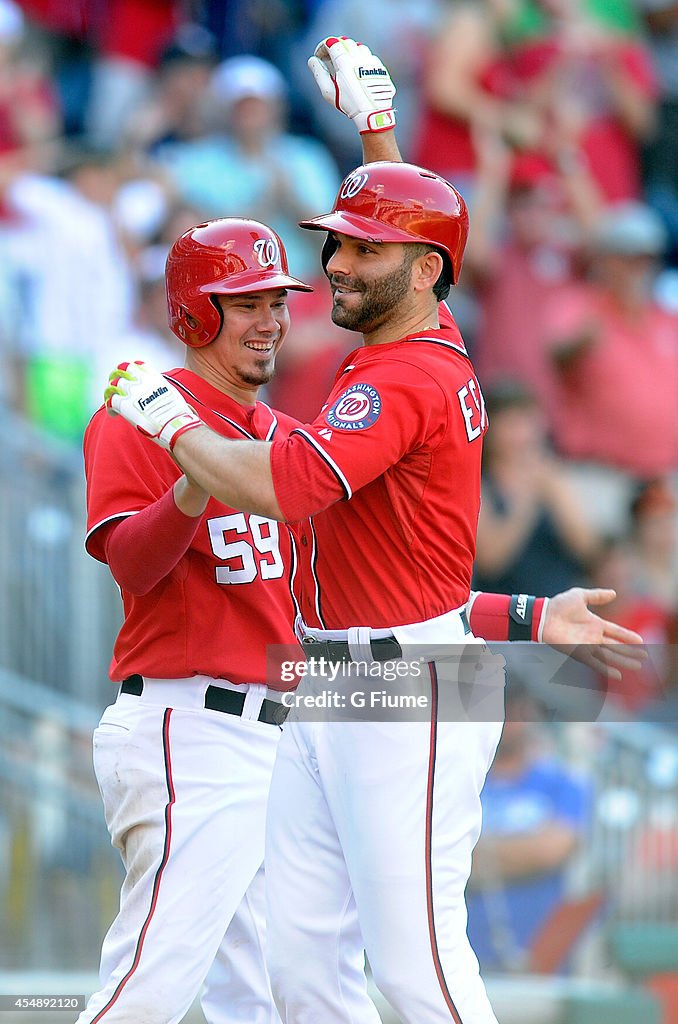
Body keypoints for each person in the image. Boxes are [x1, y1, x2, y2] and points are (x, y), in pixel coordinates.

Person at [101, 38, 644, 1024]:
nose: (338, 262)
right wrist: (375, 130)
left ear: (424, 266)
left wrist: (169, 420)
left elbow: (289, 490)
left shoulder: (406, 374)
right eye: (337, 243)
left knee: (417, 969)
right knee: (303, 971)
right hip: (336, 668)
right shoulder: (415, 336)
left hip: (409, 681)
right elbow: (416, 237)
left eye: (359, 249)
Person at [78, 218, 313, 1024]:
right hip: (190, 726)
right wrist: (194, 467)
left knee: (266, 998)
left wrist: (522, 624)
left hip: (273, 736)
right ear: (191, 312)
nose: (270, 320)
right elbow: (134, 567)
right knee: (151, 986)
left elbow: (342, 606)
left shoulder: (285, 439)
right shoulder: (143, 415)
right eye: (244, 301)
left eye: (277, 300)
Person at [466, 683, 590, 972]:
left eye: (512, 709)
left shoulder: (562, 781)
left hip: (538, 954)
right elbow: (431, 857)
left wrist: (473, 855)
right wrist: (521, 851)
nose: (505, 721)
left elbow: (551, 850)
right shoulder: (460, 783)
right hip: (464, 950)